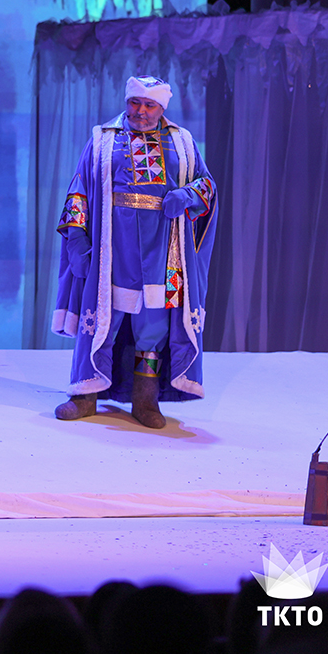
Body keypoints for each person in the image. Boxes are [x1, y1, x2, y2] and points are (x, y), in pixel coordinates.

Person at [52, 75, 217, 428]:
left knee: (152, 330)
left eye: (149, 105)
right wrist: (77, 240)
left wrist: (187, 195)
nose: (141, 111)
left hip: (164, 255)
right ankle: (84, 395)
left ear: (162, 108)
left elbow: (206, 185)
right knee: (100, 321)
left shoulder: (182, 142)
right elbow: (79, 189)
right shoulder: (102, 140)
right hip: (112, 252)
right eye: (135, 103)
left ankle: (145, 399)